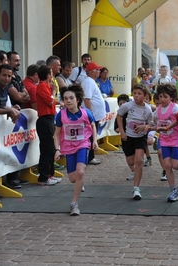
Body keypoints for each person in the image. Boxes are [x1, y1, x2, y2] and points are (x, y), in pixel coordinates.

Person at [53, 85, 98, 216]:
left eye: (71, 98)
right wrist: (57, 149)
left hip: (83, 144)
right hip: (68, 147)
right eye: (65, 98)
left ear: (77, 99)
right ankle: (79, 182)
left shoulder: (85, 113)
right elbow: (56, 134)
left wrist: (94, 141)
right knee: (73, 178)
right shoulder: (60, 115)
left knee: (80, 172)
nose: (68, 101)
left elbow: (93, 126)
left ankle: (74, 204)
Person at [116, 83, 153, 200]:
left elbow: (150, 122)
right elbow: (118, 116)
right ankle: (135, 173)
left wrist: (145, 127)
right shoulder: (127, 105)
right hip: (128, 137)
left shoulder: (147, 109)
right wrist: (122, 132)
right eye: (135, 93)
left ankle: (136, 188)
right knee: (131, 161)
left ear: (145, 96)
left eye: (139, 94)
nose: (136, 96)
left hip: (140, 138)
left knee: (139, 161)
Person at [153, 83, 178, 202]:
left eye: (165, 96)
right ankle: (174, 191)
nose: (162, 99)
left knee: (176, 166)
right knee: (167, 165)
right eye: (160, 96)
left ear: (171, 97)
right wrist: (148, 127)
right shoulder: (158, 110)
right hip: (164, 140)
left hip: (176, 140)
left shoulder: (176, 108)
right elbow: (156, 122)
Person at [5, 52, 30, 188]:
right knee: (9, 148)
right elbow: (20, 97)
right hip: (9, 118)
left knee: (16, 146)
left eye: (19, 60)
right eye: (16, 60)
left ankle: (16, 175)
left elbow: (26, 95)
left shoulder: (18, 77)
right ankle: (11, 178)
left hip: (18, 115)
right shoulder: (6, 80)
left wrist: (21, 96)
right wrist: (21, 96)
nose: (19, 63)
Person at [36, 65, 62, 186]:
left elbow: (51, 100)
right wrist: (54, 92)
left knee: (51, 148)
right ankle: (44, 177)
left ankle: (50, 174)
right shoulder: (41, 86)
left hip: (49, 119)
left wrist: (58, 101)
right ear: (48, 75)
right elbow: (49, 100)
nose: (52, 76)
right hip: (44, 119)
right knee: (47, 149)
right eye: (51, 73)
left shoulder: (45, 86)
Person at [80, 62, 106, 165]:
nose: (99, 71)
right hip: (92, 115)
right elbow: (87, 98)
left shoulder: (91, 81)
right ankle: (90, 157)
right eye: (97, 70)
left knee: (91, 136)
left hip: (94, 115)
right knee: (90, 136)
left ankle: (90, 156)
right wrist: (89, 113)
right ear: (91, 72)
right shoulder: (88, 82)